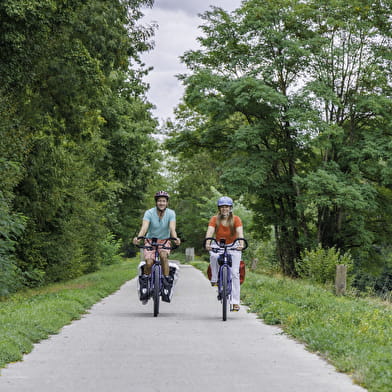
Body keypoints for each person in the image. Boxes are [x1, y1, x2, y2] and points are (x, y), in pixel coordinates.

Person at [133, 191, 181, 302]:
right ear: (156, 202)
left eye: (164, 201)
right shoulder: (149, 213)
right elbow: (144, 227)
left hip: (164, 240)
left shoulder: (171, 213)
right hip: (150, 240)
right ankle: (144, 285)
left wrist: (175, 239)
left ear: (167, 203)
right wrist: (139, 238)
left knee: (163, 256)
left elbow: (172, 228)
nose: (161, 203)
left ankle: (166, 284)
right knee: (149, 262)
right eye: (159, 201)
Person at [205, 196, 244, 312]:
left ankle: (235, 302)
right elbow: (210, 232)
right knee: (213, 255)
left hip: (233, 245)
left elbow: (240, 232)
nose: (224, 209)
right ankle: (215, 278)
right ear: (219, 208)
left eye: (226, 207)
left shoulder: (236, 219)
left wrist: (241, 243)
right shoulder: (214, 219)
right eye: (222, 207)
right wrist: (208, 243)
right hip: (219, 244)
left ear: (230, 208)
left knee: (235, 273)